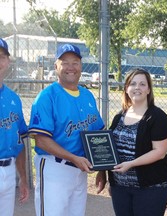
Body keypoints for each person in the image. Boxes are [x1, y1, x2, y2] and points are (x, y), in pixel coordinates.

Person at [28, 44, 105, 216]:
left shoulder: (87, 96)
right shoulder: (47, 97)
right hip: (54, 168)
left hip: (80, 171)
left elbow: (98, 135)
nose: (71, 67)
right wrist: (73, 158)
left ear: (81, 66)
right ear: (56, 66)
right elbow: (41, 139)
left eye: (75, 62)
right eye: (65, 62)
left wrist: (102, 167)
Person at [96, 68, 167, 216]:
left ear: (149, 89)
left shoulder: (157, 117)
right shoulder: (120, 116)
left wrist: (130, 164)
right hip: (121, 188)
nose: (137, 87)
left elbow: (159, 152)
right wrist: (105, 173)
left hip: (151, 188)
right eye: (133, 84)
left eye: (142, 84)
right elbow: (109, 149)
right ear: (126, 88)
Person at [0, 38, 29, 216]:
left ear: (8, 62)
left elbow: (19, 141)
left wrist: (23, 178)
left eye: (1, 57)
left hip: (9, 172)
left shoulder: (13, 98)